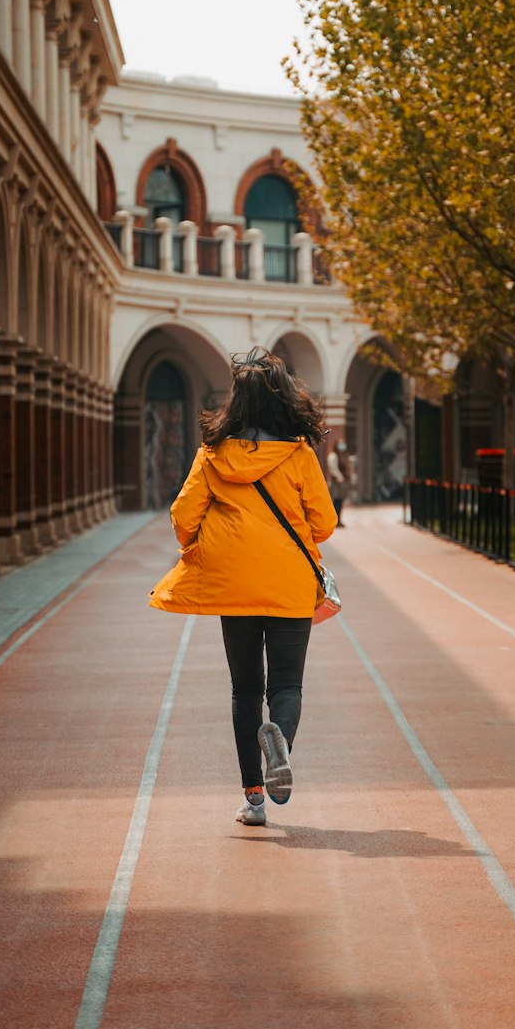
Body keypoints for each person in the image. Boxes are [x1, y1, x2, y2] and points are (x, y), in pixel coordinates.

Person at [149, 346, 338, 827]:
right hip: (290, 584)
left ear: (237, 402)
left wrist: (202, 544)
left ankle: (254, 798)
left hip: (234, 585)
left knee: (245, 690)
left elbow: (182, 517)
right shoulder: (299, 454)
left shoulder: (212, 454)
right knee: (287, 683)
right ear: (284, 400)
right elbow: (325, 524)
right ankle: (281, 745)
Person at [326, 439, 353, 526]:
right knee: (336, 502)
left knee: (340, 501)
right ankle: (335, 520)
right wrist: (340, 477)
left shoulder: (344, 455)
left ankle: (338, 520)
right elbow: (333, 469)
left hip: (343, 482)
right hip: (337, 482)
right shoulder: (333, 455)